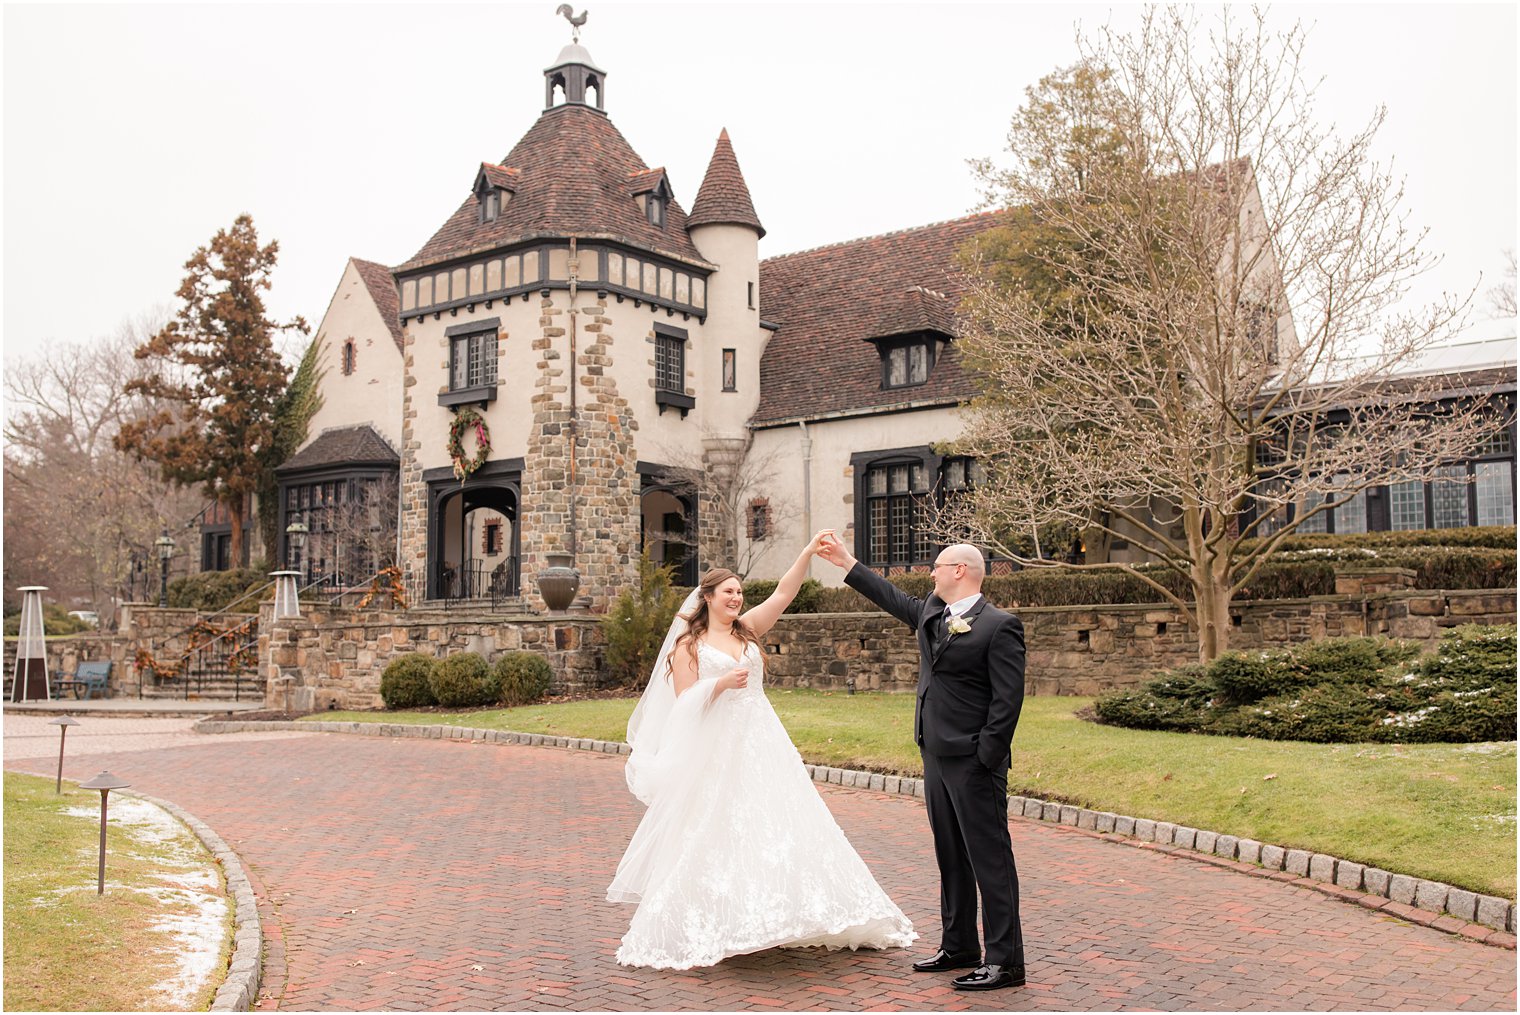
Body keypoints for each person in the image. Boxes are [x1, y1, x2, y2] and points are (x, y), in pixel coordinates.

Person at [606, 532, 917, 970]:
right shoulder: (688, 647)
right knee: (718, 828)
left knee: (781, 823)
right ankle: (721, 920)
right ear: (708, 598)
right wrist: (716, 684)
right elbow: (682, 705)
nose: (736, 598)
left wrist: (807, 552)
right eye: (728, 592)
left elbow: (784, 593)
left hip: (763, 742)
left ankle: (787, 913)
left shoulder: (748, 629)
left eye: (739, 592)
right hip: (717, 748)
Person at [816, 534, 1027, 992]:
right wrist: (847, 562)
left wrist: (985, 756)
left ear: (960, 571)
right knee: (950, 856)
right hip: (934, 755)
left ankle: (1006, 961)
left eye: (937, 565)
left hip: (974, 761)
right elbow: (891, 597)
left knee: (989, 860)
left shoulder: (999, 626)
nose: (930, 572)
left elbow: (1008, 702)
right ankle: (960, 946)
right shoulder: (933, 612)